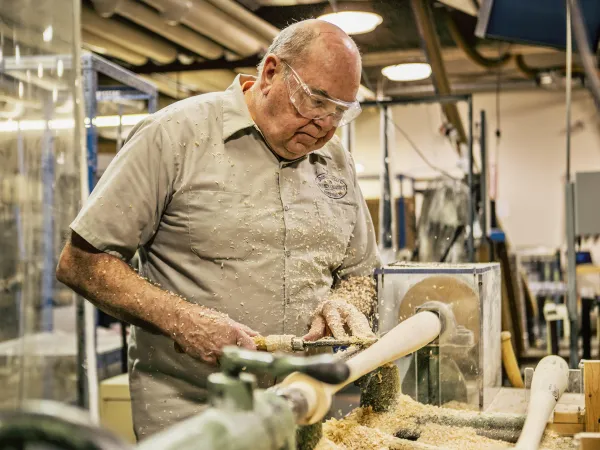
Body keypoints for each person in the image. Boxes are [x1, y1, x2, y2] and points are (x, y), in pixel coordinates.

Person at [56, 19, 380, 439]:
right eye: (315, 100)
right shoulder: (174, 136)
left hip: (304, 415)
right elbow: (81, 262)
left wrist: (344, 300)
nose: (325, 125)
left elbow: (360, 275)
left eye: (340, 111)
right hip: (195, 424)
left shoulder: (336, 161)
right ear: (270, 73)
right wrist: (182, 319)